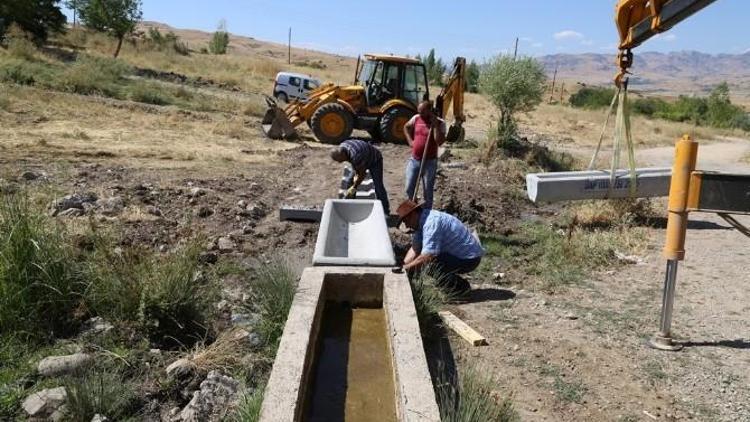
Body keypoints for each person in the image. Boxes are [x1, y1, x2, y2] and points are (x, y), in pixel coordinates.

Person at [397, 199, 484, 295]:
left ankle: (461, 289)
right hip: (458, 254)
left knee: (430, 264)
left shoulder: (431, 224)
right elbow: (415, 248)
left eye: (406, 221)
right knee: (420, 262)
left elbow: (428, 256)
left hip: (470, 258)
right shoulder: (421, 222)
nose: (406, 225)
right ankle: (452, 284)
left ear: (413, 215)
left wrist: (407, 268)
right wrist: (403, 266)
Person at [402, 100, 446, 209]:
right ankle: (413, 209)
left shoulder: (441, 123)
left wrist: (435, 125)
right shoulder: (416, 118)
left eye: (422, 112)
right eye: (419, 111)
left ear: (430, 111)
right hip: (414, 160)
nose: (420, 114)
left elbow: (439, 141)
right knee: (409, 187)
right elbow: (406, 127)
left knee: (427, 191)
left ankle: (426, 214)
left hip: (430, 162)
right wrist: (410, 141)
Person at [330, 139, 390, 215]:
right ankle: (350, 205)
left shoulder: (355, 155)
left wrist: (354, 187)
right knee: (349, 181)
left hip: (375, 160)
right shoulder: (343, 147)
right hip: (362, 157)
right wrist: (353, 183)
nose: (339, 162)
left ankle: (385, 211)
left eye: (339, 160)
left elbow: (362, 174)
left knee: (378, 186)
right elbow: (356, 168)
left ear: (343, 154)